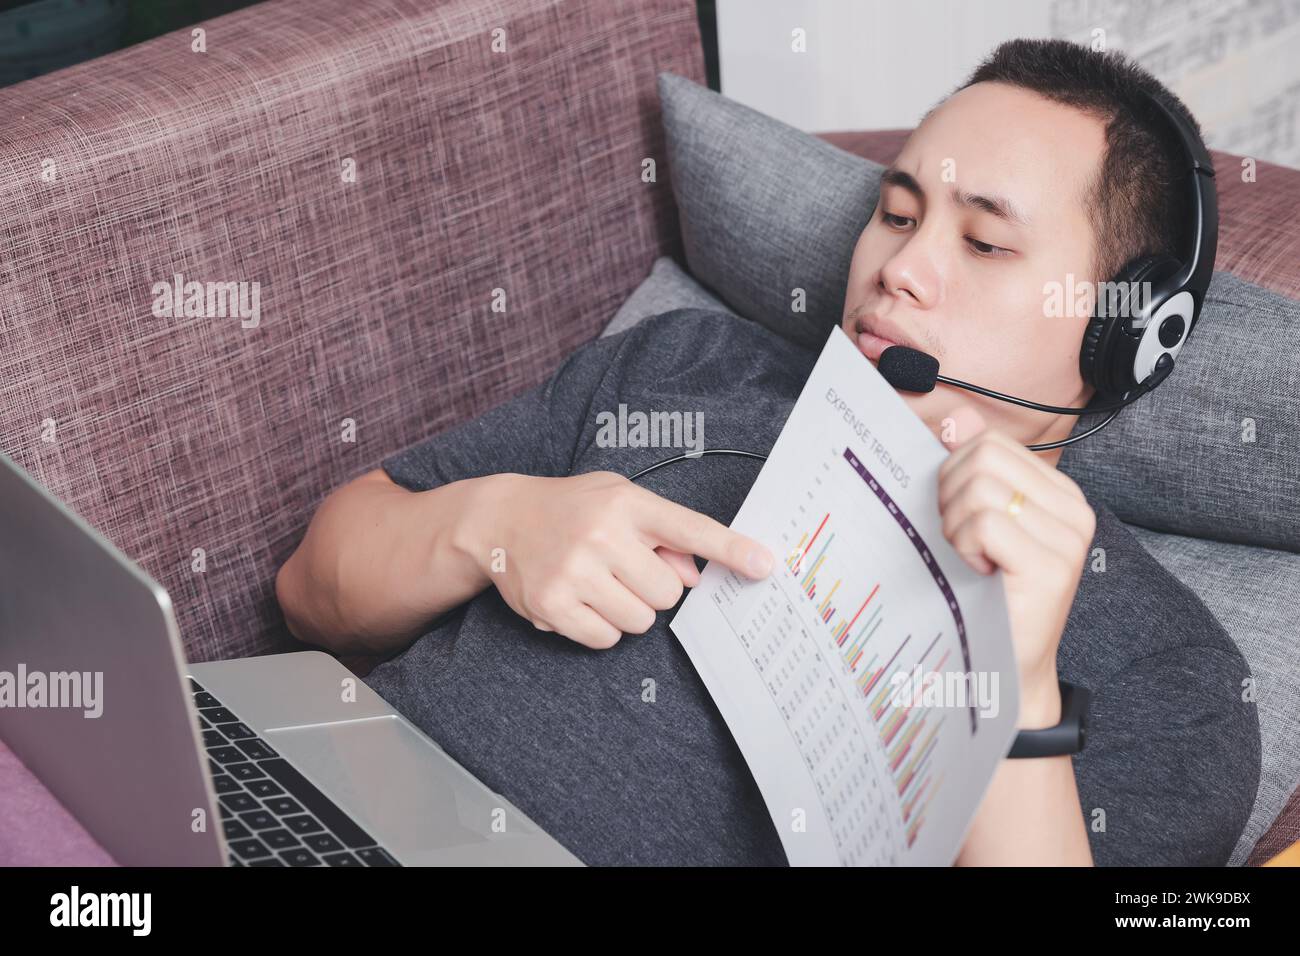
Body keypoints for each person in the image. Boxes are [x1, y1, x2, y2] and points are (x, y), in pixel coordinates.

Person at [274, 39, 1260, 865]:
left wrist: (1019, 690)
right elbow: (308, 587)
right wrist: (490, 526)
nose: (899, 268)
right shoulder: (691, 362)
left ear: (1123, 334)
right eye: (899, 213)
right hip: (294, 809)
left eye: (983, 243)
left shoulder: (1172, 676)